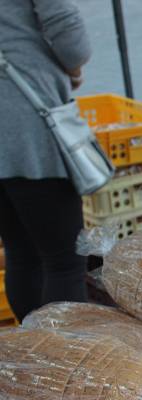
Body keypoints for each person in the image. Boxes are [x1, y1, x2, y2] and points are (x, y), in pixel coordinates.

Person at [0, 0, 91, 320]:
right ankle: (64, 361)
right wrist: (73, 66)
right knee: (64, 261)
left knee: (21, 253)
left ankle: (34, 356)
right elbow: (69, 34)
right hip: (26, 124)